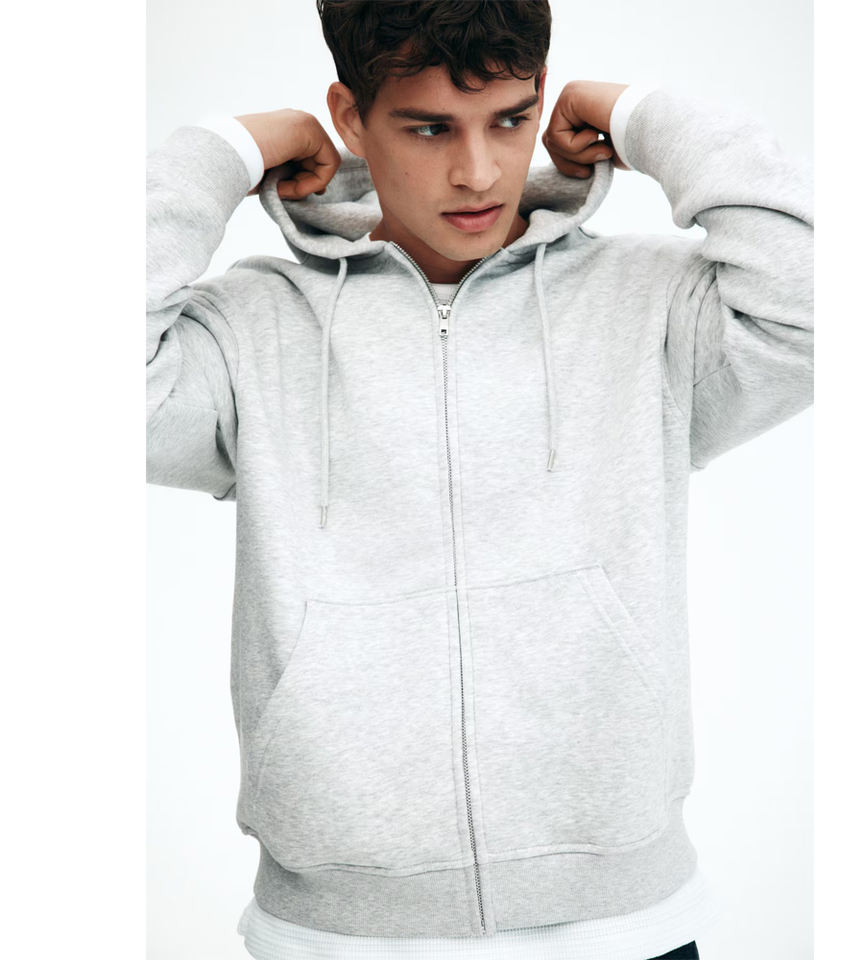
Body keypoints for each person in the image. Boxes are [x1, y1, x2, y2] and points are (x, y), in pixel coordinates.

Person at [146, 0, 812, 956]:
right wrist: (223, 150)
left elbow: (815, 303)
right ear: (351, 118)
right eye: (429, 129)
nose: (478, 171)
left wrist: (646, 115)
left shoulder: (650, 308)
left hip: (623, 926)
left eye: (509, 119)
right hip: (340, 934)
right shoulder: (251, 331)